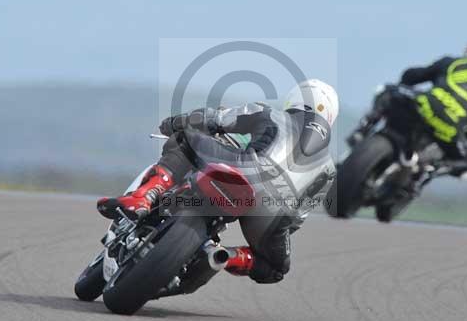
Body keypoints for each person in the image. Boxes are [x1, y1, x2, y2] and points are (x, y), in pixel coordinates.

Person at [97, 79, 339, 284]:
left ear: (292, 101)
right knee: (276, 269)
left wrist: (174, 123)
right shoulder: (328, 170)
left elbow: (215, 119)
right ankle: (226, 256)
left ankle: (144, 196)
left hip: (246, 170)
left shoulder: (269, 113)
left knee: (185, 140)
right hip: (273, 217)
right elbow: (297, 218)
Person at [394, 37, 467, 180]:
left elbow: (411, 76)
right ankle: (424, 171)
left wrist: (405, 85)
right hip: (450, 130)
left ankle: (364, 131)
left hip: (423, 105)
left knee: (390, 96)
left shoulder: (449, 62)